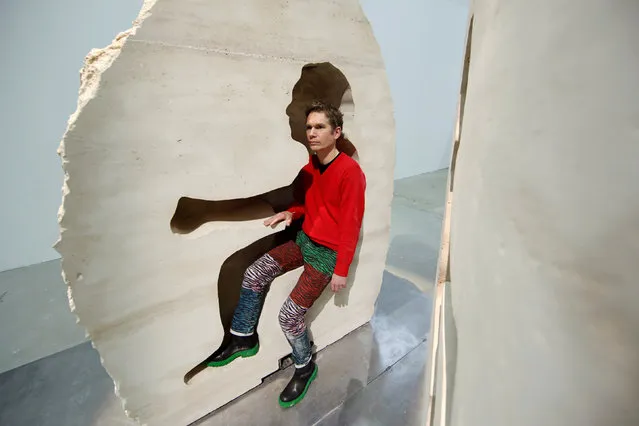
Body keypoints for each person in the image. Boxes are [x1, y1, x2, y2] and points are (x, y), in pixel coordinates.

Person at [207, 100, 366, 408]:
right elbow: (314, 205)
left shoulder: (350, 172)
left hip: (326, 255)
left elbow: (351, 223)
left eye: (320, 127)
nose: (312, 133)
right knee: (255, 272)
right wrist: (292, 213)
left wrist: (342, 269)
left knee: (289, 316)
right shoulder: (311, 166)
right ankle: (243, 336)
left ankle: (304, 365)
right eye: (309, 127)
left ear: (337, 132)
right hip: (305, 240)